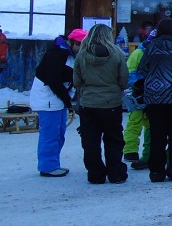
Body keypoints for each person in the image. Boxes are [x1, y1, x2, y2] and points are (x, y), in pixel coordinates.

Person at [73, 24, 129, 185]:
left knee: (90, 141)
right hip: (111, 103)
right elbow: (124, 80)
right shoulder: (117, 54)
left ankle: (95, 174)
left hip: (88, 104)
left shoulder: (82, 55)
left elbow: (76, 81)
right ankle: (116, 173)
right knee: (114, 139)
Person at [141, 16, 172, 183]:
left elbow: (143, 68)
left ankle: (156, 171)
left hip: (155, 97)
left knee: (157, 135)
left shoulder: (152, 46)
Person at [31, 28, 84, 178]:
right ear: (72, 42)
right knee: (50, 134)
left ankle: (52, 163)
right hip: (48, 99)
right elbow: (53, 80)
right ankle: (47, 166)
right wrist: (68, 101)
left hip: (56, 99)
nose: (81, 49)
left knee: (59, 133)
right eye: (80, 45)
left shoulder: (66, 53)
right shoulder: (56, 54)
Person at [122, 30, 154, 170]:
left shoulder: (151, 52)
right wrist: (138, 86)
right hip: (138, 94)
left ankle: (145, 153)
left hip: (151, 93)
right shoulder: (139, 53)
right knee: (135, 121)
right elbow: (130, 72)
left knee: (149, 126)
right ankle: (130, 151)